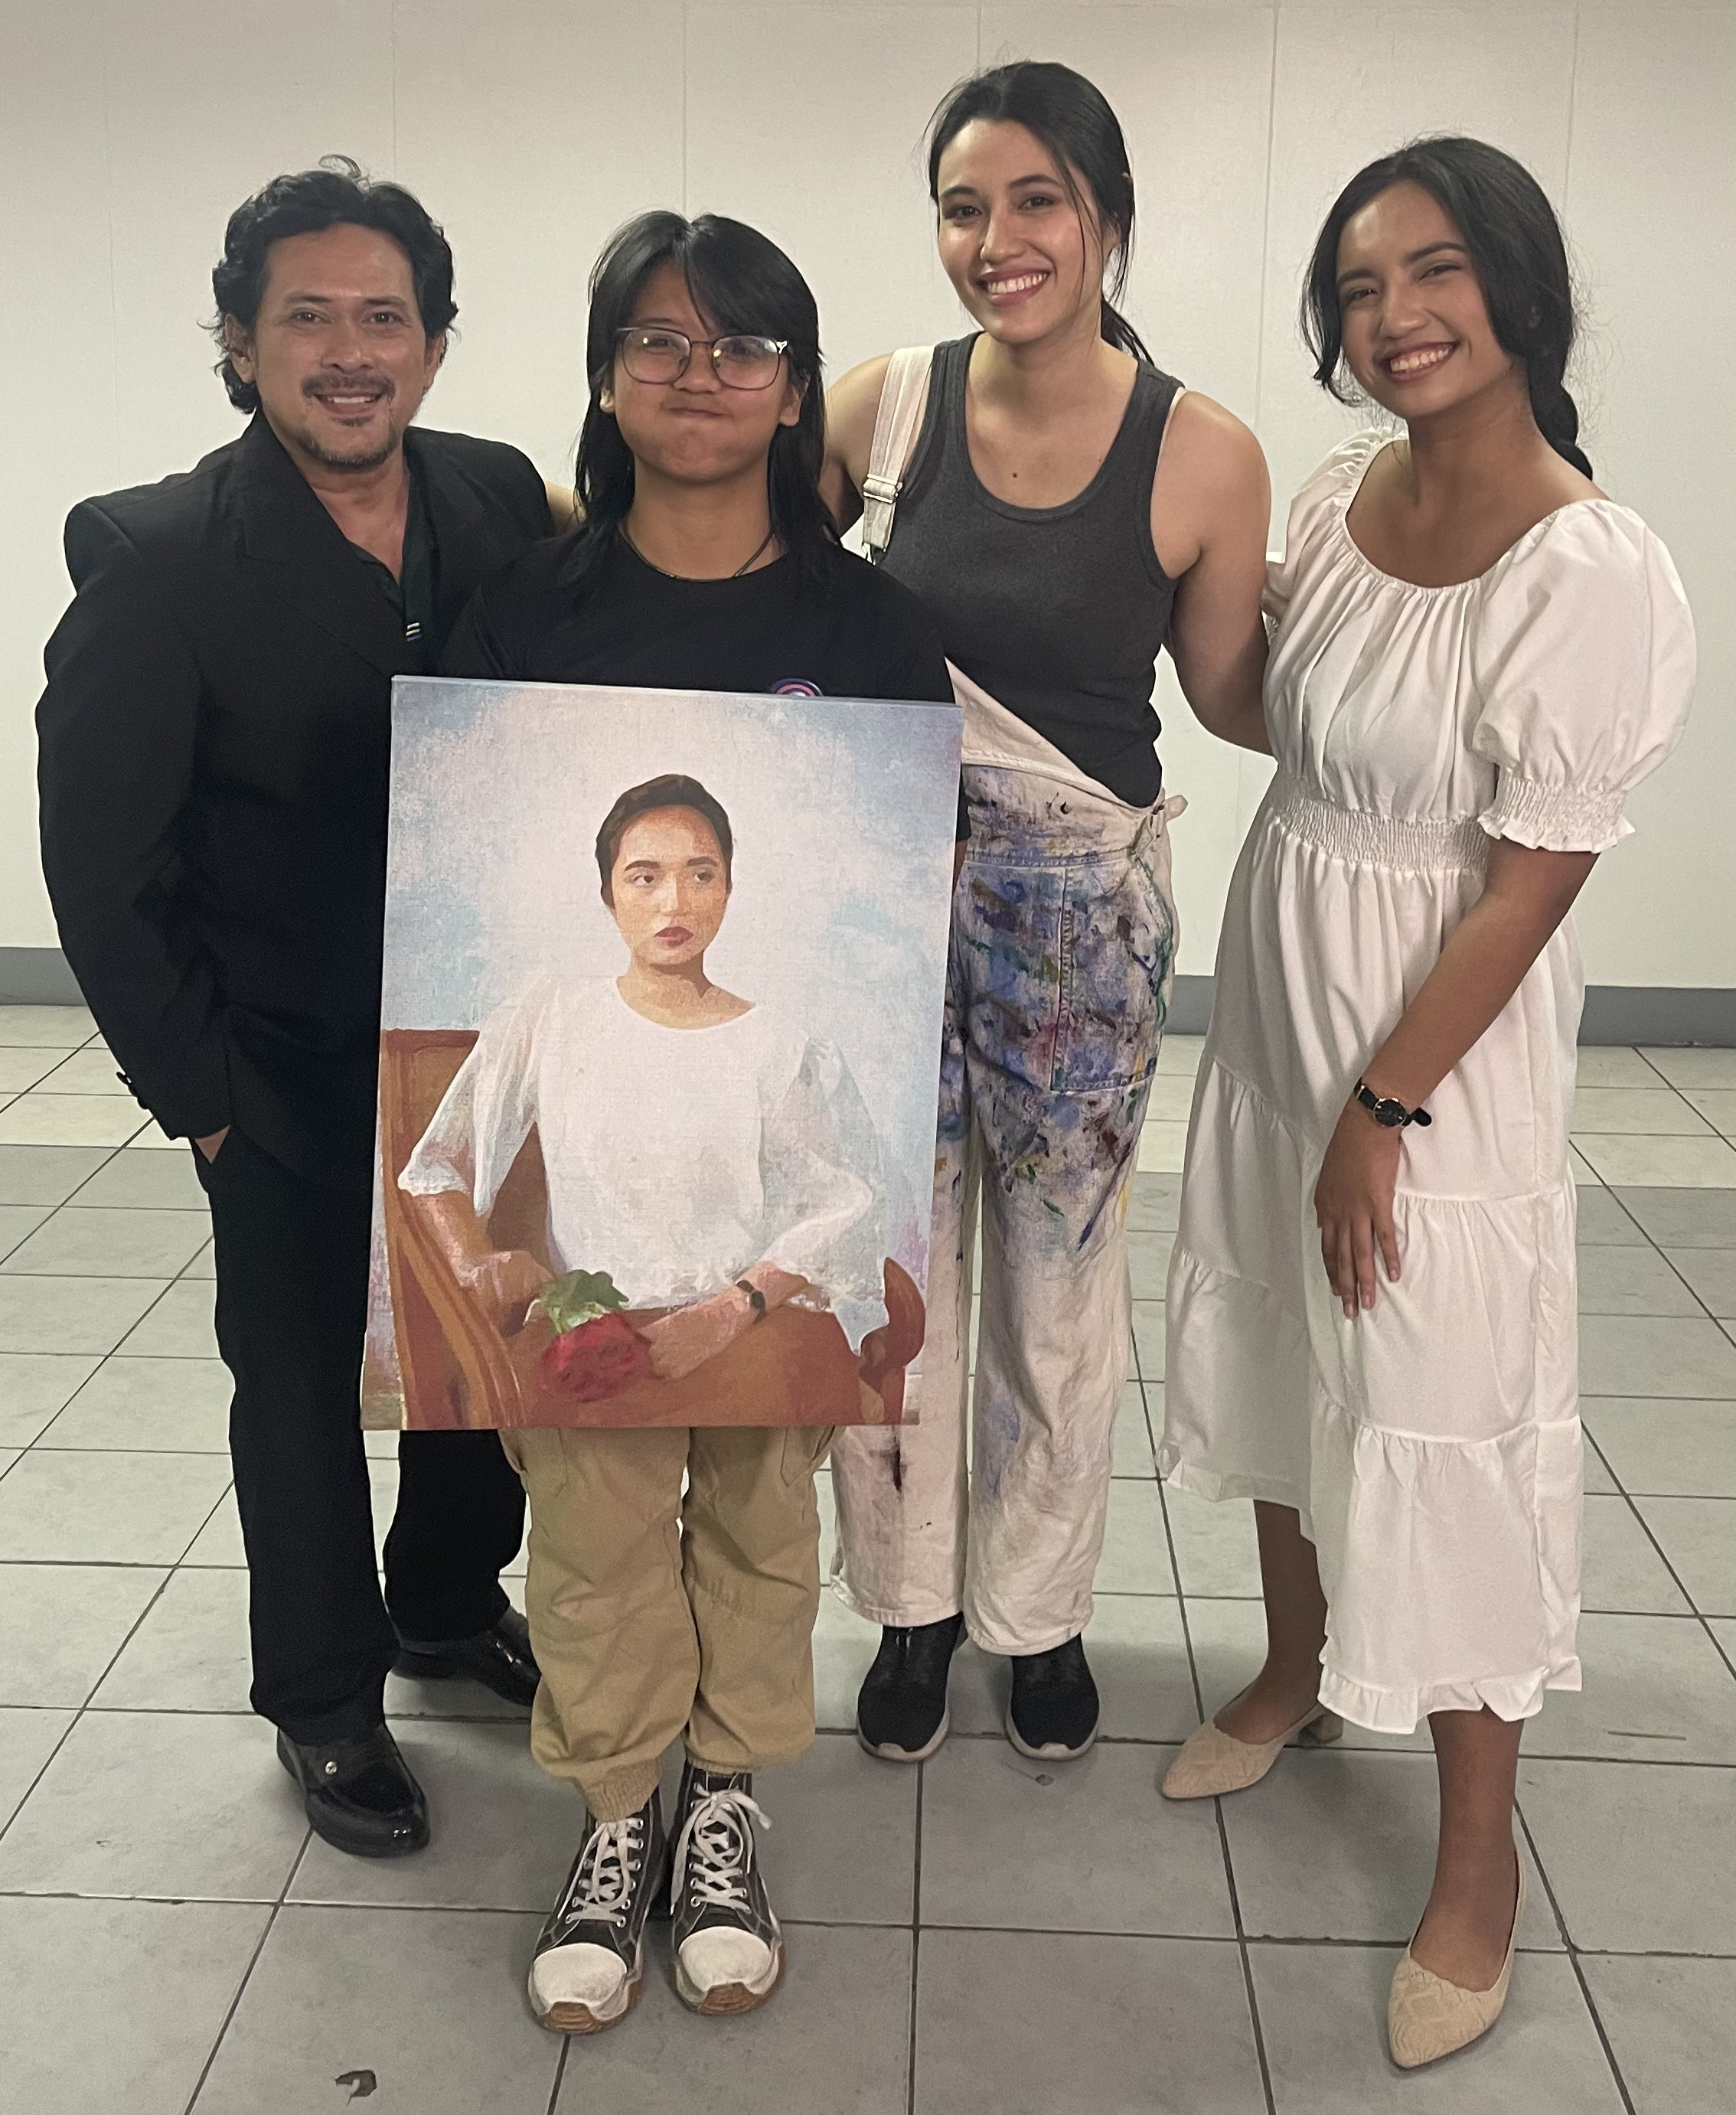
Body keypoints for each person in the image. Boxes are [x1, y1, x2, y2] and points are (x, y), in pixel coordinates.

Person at [1160, 137, 1695, 2068]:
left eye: (1435, 270)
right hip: (1283, 992)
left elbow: (1533, 881)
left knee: (1442, 1401)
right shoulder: (1335, 494)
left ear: (1519, 284)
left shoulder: (1589, 562)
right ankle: (1296, 1666)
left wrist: (1382, 1109)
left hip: (1431, 1050)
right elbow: (1274, 712)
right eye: (1362, 286)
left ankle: (1478, 1865)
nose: (1396, 316)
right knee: (1289, 1350)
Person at [441, 208, 959, 2033]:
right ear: (605, 379)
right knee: (590, 1551)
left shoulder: (867, 627)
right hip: (594, 1277)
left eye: (742, 345)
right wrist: (495, 1254)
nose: (700, 375)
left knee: (757, 1530)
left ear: (796, 386)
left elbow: (913, 875)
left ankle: (723, 1803)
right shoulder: (527, 615)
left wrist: (758, 1283)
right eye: (655, 342)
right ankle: (612, 1814)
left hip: (758, 1271)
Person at [36, 159, 561, 1859]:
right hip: (276, 1061)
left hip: (483, 1039)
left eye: (385, 317)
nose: (351, 352)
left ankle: (443, 1600)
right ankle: (326, 1697)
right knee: (298, 1380)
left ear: (435, 342)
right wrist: (200, 1095)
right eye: (308, 317)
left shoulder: (495, 495)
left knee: (478, 1346)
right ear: (240, 343)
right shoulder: (158, 555)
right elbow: (100, 864)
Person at [824, 61, 1271, 1764]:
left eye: (1035, 201)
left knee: (1059, 1283)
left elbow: (1229, 692)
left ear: (1106, 218)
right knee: (894, 1262)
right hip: (882, 895)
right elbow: (742, 573)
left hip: (1078, 921)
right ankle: (911, 1606)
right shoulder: (886, 409)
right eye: (963, 207)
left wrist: (1415, 675)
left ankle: (1038, 1611)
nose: (995, 240)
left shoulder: (1199, 449)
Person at [398, 772, 897, 1383]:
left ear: (729, 887)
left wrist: (727, 1312)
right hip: (599, 1348)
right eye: (645, 877)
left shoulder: (780, 1046)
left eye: (701, 875)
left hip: (746, 1338)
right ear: (609, 894)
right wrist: (473, 1260)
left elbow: (840, 1206)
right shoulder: (552, 1014)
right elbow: (435, 1165)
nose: (674, 903)